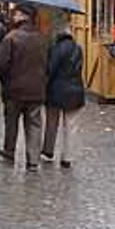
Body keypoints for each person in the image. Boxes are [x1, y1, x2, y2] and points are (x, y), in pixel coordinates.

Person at [0, 3, 49, 171]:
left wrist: (5, 82)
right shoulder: (42, 38)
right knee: (34, 123)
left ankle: (9, 151)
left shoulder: (11, 37)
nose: (14, 16)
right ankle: (33, 160)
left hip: (14, 89)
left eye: (16, 13)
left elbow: (1, 63)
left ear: (24, 16)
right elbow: (47, 63)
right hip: (36, 89)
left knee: (11, 122)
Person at [42, 27, 85, 168]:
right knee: (71, 125)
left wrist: (45, 87)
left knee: (52, 123)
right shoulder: (78, 49)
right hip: (75, 90)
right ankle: (67, 157)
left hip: (56, 90)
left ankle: (48, 152)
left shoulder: (56, 49)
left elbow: (51, 70)